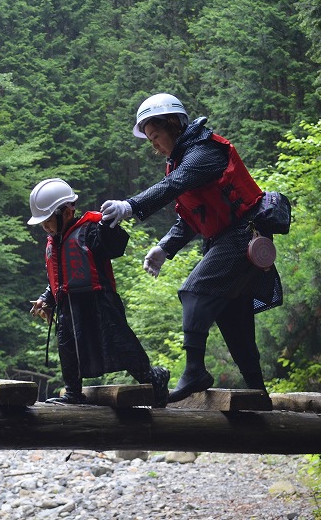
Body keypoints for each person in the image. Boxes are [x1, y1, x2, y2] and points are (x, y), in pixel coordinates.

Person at [99, 93, 282, 402]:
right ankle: (257, 392)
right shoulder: (184, 159)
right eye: (150, 140)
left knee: (194, 291)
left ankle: (194, 371)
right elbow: (192, 218)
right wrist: (164, 248)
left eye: (156, 136)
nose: (154, 145)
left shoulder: (204, 151)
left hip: (243, 236)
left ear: (173, 124)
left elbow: (174, 185)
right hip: (228, 240)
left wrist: (130, 206)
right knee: (231, 315)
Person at [27, 178, 170, 406]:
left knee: (120, 343)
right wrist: (46, 298)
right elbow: (60, 278)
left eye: (47, 220)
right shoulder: (55, 241)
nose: (44, 226)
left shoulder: (91, 230)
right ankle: (73, 392)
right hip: (68, 306)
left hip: (98, 300)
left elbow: (113, 246)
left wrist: (107, 225)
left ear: (65, 213)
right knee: (67, 348)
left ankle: (154, 378)